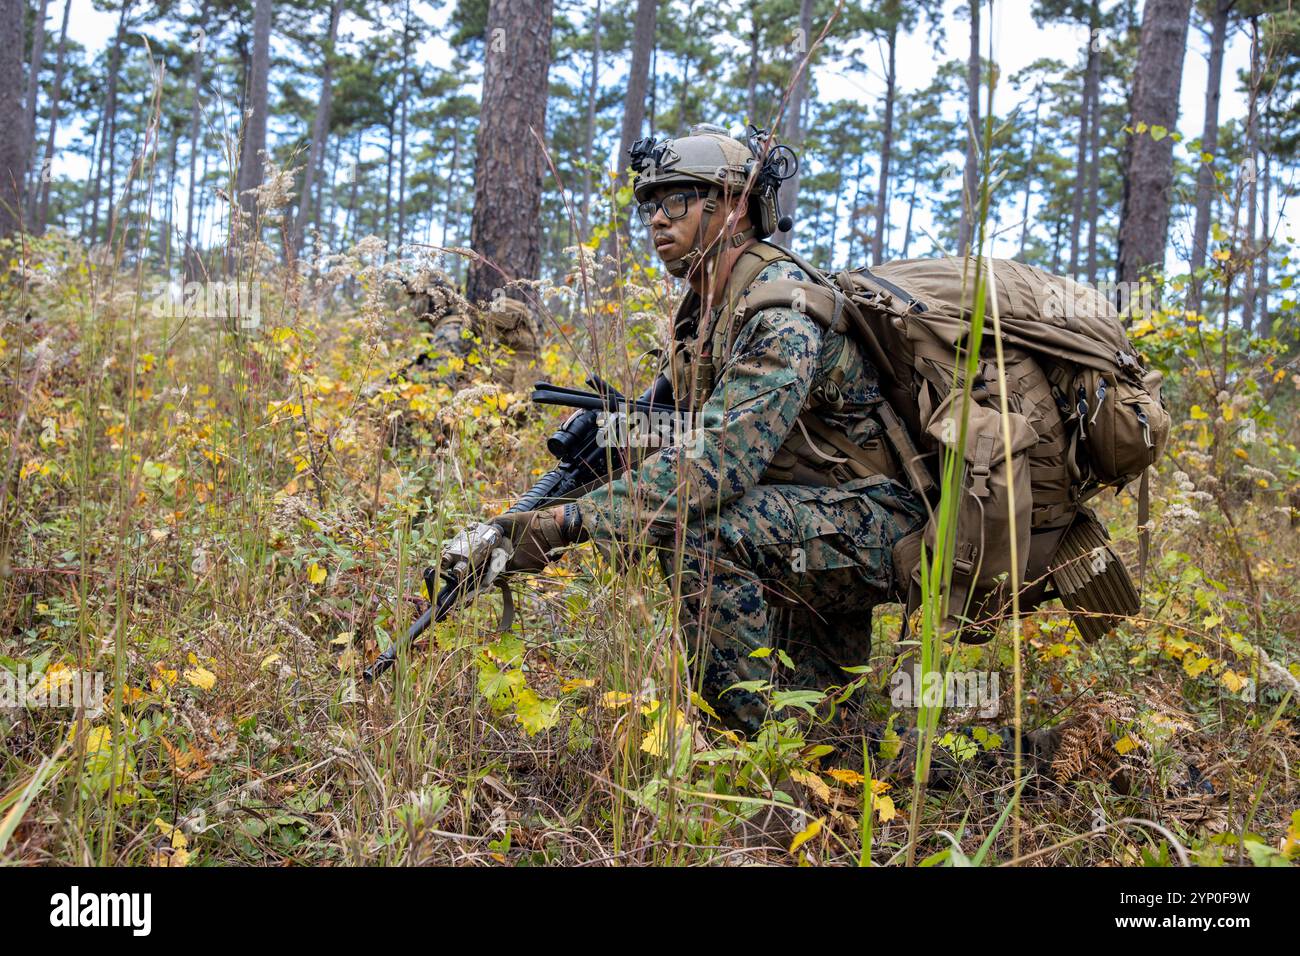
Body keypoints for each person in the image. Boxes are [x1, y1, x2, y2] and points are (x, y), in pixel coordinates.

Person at [490, 124, 928, 736]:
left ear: (734, 206)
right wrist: (610, 438)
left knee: (693, 533)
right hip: (810, 515)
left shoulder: (781, 312)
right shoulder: (704, 309)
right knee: (837, 739)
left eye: (677, 200)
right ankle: (1006, 757)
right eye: (650, 204)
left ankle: (751, 752)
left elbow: (716, 461)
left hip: (881, 524)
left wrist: (570, 523)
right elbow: (686, 426)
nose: (656, 221)